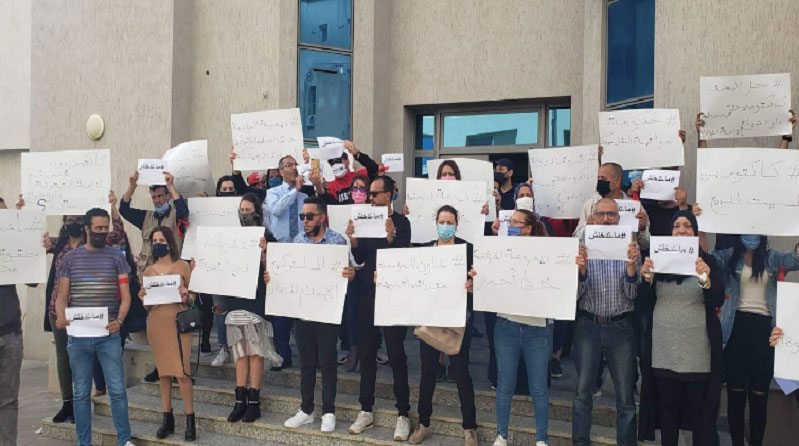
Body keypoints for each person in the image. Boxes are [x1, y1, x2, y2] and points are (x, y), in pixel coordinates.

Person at [691, 209, 799, 446]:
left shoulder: (772, 258)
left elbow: (796, 259)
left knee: (759, 395)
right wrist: (701, 222)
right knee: (736, 393)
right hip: (735, 329)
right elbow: (704, 256)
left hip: (764, 331)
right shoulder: (729, 256)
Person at [637, 211, 724, 446]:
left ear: (694, 232)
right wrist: (646, 279)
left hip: (697, 354)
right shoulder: (658, 261)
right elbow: (643, 303)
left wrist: (705, 279)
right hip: (664, 351)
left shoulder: (708, 262)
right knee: (668, 411)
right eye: (676, 226)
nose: (681, 230)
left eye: (687, 225)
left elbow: (718, 299)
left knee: (699, 415)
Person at [54, 208, 136, 446]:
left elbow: (126, 296)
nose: (102, 232)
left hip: (108, 336)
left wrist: (119, 321)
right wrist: (60, 316)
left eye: (105, 228)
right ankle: (84, 443)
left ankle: (124, 440)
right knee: (81, 393)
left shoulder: (117, 257)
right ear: (87, 229)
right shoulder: (70, 259)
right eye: (98, 228)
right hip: (78, 338)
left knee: (117, 390)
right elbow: (62, 296)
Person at [276, 196, 355, 433]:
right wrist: (274, 276)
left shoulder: (338, 241)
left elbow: (348, 273)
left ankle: (328, 411)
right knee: (306, 363)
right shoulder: (297, 241)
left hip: (327, 312)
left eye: (310, 216)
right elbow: (288, 273)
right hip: (303, 312)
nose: (305, 221)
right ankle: (306, 409)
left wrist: (350, 274)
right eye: (303, 216)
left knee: (328, 362)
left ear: (322, 217)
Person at [484, 209, 563, 446]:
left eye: (515, 222)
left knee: (538, 388)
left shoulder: (547, 253)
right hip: (506, 325)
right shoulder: (500, 250)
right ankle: (502, 435)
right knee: (504, 385)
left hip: (536, 329)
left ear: (528, 228)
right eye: (509, 221)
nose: (510, 224)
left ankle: (542, 439)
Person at [346, 175, 413, 441]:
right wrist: (353, 241)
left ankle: (403, 413)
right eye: (369, 194)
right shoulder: (364, 218)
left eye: (375, 194)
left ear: (389, 194)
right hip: (366, 293)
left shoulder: (402, 223)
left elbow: (404, 254)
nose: (371, 198)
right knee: (366, 352)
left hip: (393, 294)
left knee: (396, 353)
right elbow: (361, 257)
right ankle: (366, 409)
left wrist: (390, 237)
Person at [572, 198, 640, 446]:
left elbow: (632, 295)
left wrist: (631, 269)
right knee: (583, 394)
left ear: (619, 218)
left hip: (621, 327)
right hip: (588, 325)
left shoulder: (630, 247)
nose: (606, 219)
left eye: (611, 215)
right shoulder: (581, 247)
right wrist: (581, 273)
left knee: (625, 399)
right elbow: (574, 296)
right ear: (592, 218)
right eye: (600, 214)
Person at [407, 205, 477, 446]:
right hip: (431, 319)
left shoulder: (468, 250)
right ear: (435, 224)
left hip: (457, 321)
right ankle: (423, 424)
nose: (445, 226)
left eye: (450, 222)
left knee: (461, 373)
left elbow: (479, 281)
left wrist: (473, 287)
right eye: (442, 222)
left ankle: (470, 428)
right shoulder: (425, 250)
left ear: (457, 225)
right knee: (428, 372)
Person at [209, 193, 282, 423]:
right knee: (239, 353)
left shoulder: (268, 238)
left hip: (256, 302)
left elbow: (277, 272)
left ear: (257, 212)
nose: (244, 214)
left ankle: (254, 401)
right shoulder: (232, 237)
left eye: (248, 210)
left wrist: (264, 255)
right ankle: (239, 400)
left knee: (255, 352)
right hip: (235, 301)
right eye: (241, 210)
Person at [695, 110, 795, 250]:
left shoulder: (760, 190)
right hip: (728, 248)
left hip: (755, 253)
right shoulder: (722, 191)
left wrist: (786, 137)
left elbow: (776, 167)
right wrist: (702, 135)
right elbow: (707, 168)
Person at [138, 226, 197, 441]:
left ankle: (190, 419)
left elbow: (193, 297)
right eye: (154, 241)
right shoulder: (148, 271)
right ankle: (167, 418)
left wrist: (186, 294)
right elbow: (147, 305)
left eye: (161, 240)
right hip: (157, 324)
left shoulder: (183, 266)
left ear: (170, 243)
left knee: (182, 373)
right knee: (163, 373)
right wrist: (142, 297)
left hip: (179, 324)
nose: (157, 244)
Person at [266, 155, 308, 370]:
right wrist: (294, 192)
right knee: (280, 307)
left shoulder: (305, 195)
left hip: (301, 251)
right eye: (289, 165)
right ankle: (283, 354)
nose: (294, 168)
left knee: (302, 303)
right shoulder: (273, 192)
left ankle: (309, 353)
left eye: (295, 164)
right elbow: (276, 210)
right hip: (280, 252)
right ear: (281, 171)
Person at [572, 160, 650, 251]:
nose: (599, 182)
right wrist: (587, 228)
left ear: (617, 181)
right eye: (598, 178)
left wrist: (642, 229)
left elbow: (646, 244)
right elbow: (576, 240)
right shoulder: (591, 204)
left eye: (603, 179)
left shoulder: (635, 206)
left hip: (626, 258)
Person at [121, 171, 189, 273]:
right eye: (154, 197)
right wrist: (132, 187)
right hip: (148, 272)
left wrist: (170, 186)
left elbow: (184, 211)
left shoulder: (176, 216)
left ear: (168, 196)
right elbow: (124, 210)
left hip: (171, 272)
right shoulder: (146, 217)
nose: (157, 200)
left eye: (160, 196)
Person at [0, 196, 24, 445]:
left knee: (8, 401)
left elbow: (31, 279)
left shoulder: (12, 245)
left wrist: (26, 233)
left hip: (11, 334)